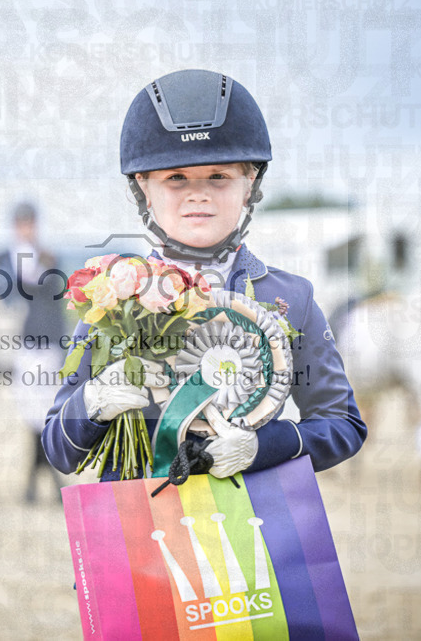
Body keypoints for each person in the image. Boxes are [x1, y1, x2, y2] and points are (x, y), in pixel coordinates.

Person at [42, 69, 367, 482]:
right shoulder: (112, 295)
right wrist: (91, 403)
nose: (199, 193)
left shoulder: (292, 297)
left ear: (249, 183)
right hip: (140, 516)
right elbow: (59, 449)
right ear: (143, 187)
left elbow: (342, 423)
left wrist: (265, 446)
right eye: (175, 178)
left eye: (219, 176)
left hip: (254, 516)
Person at [0, 202, 69, 501]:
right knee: (32, 413)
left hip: (46, 345)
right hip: (18, 347)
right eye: (22, 223)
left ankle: (37, 483)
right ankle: (44, 480)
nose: (26, 229)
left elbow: (56, 304)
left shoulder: (49, 258)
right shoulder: (1, 261)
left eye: (30, 223)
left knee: (44, 412)